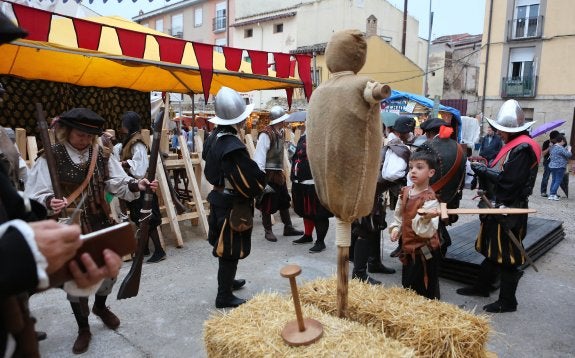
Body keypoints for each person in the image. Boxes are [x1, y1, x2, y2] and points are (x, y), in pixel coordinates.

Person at [25, 108, 158, 354]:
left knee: (110, 269)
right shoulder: (51, 157)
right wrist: (48, 202)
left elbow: (116, 182)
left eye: (89, 136)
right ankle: (83, 327)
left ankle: (100, 306)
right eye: (79, 135)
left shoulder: (102, 155)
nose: (85, 141)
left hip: (99, 220)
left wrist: (136, 183)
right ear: (66, 132)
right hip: (69, 227)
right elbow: (34, 194)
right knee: (75, 277)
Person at [457, 99, 540, 313]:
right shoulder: (516, 145)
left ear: (512, 130)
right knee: (493, 249)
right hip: (500, 206)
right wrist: (485, 165)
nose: (498, 133)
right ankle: (482, 286)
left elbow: (509, 182)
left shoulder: (523, 148)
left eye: (501, 130)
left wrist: (482, 171)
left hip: (509, 209)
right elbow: (503, 171)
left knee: (509, 256)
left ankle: (507, 301)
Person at [202, 87, 265, 309]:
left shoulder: (214, 137)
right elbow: (251, 179)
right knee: (229, 249)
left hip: (220, 199)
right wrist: (262, 183)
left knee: (228, 246)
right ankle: (224, 295)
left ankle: (228, 282)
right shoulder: (232, 145)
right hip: (231, 203)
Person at [388, 150, 441, 299]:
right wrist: (396, 229)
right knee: (408, 284)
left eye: (419, 167)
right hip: (408, 248)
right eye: (411, 167)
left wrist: (425, 218)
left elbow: (427, 231)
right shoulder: (405, 192)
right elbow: (399, 215)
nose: (413, 171)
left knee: (424, 287)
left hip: (424, 251)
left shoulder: (430, 199)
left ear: (431, 172)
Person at [117, 111, 166, 262]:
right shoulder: (129, 140)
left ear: (129, 124)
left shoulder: (137, 142)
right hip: (136, 187)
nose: (121, 126)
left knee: (147, 219)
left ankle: (159, 250)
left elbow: (139, 168)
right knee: (139, 218)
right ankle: (144, 248)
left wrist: (124, 164)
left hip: (142, 185)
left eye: (123, 123)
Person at [417, 118, 467, 257]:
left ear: (429, 133)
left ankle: (428, 262)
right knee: (438, 230)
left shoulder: (427, 146)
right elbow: (467, 177)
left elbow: (415, 177)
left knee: (425, 235)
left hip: (429, 200)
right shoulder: (459, 148)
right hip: (450, 200)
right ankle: (435, 259)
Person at [253, 105, 303, 242]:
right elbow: (259, 157)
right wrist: (262, 180)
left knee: (284, 200)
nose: (285, 122)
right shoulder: (266, 134)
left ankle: (288, 227)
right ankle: (268, 230)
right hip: (268, 175)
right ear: (278, 120)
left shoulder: (280, 132)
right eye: (283, 120)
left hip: (278, 174)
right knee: (267, 203)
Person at [290, 119, 333, 253]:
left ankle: (320, 242)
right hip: (300, 183)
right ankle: (308, 235)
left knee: (319, 214)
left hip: (315, 184)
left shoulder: (324, 138)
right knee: (305, 211)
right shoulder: (302, 138)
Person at [381, 116, 414, 258]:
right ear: (403, 133)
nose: (410, 134)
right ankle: (402, 247)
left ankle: (401, 246)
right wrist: (405, 174)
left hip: (392, 188)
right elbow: (391, 174)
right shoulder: (400, 147)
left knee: (401, 217)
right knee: (402, 218)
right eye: (409, 132)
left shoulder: (394, 143)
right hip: (397, 188)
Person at [547, 134, 572, 201]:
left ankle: (551, 194)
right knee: (558, 180)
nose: (564, 143)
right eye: (564, 142)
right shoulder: (560, 148)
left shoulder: (553, 147)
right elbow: (568, 155)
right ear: (561, 140)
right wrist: (569, 149)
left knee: (554, 180)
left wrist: (565, 149)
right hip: (560, 166)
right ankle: (552, 194)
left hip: (552, 166)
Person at [540, 130, 560, 197]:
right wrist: (549, 147)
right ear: (552, 138)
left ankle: (553, 192)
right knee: (546, 176)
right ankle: (543, 191)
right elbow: (543, 154)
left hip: (555, 161)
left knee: (555, 177)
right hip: (547, 161)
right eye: (556, 138)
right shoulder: (546, 143)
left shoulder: (558, 143)